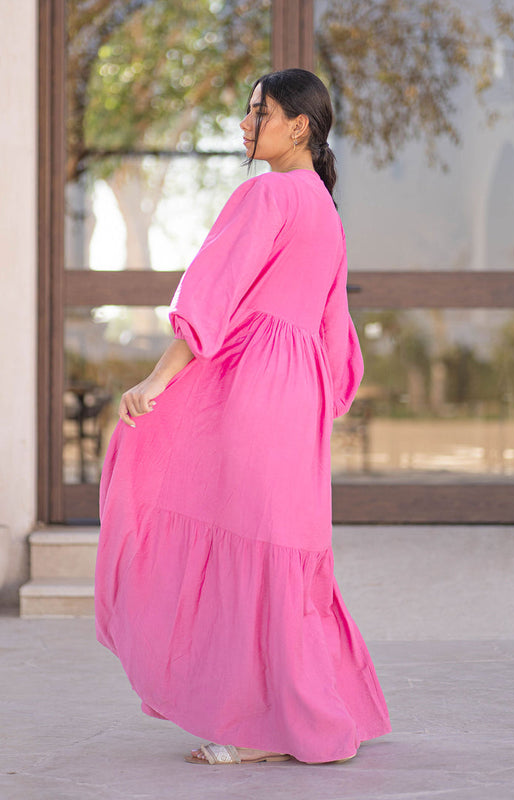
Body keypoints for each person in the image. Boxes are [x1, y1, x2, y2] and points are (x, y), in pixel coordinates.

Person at [94, 68, 391, 766]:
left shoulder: (266, 194)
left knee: (247, 541)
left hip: (254, 388)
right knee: (282, 547)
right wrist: (318, 401)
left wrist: (157, 380)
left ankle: (260, 726)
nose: (243, 124)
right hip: (298, 397)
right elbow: (335, 335)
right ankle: (305, 712)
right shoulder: (321, 205)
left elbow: (213, 296)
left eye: (258, 111)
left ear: (299, 126)